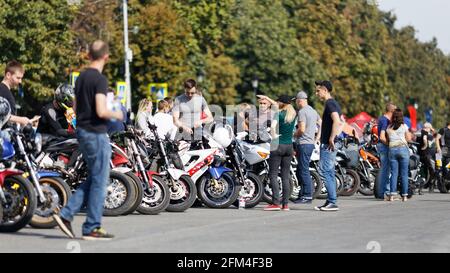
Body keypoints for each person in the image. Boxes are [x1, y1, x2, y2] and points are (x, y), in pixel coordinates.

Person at [53, 40, 123, 240]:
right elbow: (101, 110)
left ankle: (67, 215)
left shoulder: (81, 77)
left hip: (83, 131)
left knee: (95, 178)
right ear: (106, 57)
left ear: (88, 55)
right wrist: (117, 114)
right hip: (96, 133)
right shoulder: (99, 79)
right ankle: (91, 226)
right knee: (100, 181)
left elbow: (74, 108)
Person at [259, 94, 296, 211]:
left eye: (278, 101)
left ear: (282, 103)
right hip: (289, 146)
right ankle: (285, 204)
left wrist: (274, 135)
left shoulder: (278, 114)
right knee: (285, 176)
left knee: (273, 174)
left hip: (277, 145)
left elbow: (273, 126)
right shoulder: (293, 115)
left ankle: (275, 203)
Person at [314, 80, 343, 212]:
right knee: (329, 171)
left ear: (325, 90)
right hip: (329, 143)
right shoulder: (333, 103)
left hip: (328, 144)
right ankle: (330, 201)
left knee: (325, 171)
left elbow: (337, 121)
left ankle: (332, 202)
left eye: (318, 90)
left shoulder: (330, 103)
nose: (316, 93)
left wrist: (331, 137)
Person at [292, 91, 321, 204]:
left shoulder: (302, 112)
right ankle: (302, 194)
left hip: (303, 143)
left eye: (296, 101)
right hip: (309, 143)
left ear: (299, 100)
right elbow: (321, 123)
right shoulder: (313, 111)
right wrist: (316, 138)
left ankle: (307, 195)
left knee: (303, 170)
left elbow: (302, 129)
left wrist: (294, 135)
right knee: (301, 169)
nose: (296, 103)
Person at [0, 60, 38, 126]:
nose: (20, 81)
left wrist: (26, 122)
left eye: (21, 78)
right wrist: (20, 120)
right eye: (18, 78)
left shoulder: (6, 91)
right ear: (8, 75)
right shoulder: (2, 91)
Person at [386, 109, 411, 201]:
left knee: (394, 173)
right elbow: (408, 138)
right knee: (404, 174)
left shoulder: (389, 127)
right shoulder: (404, 126)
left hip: (392, 149)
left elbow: (388, 139)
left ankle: (392, 196)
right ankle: (404, 196)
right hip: (403, 149)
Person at [377, 102, 397, 199]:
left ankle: (381, 192)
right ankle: (386, 192)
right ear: (392, 111)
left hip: (381, 146)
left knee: (384, 170)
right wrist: (390, 144)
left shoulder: (382, 119)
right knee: (387, 170)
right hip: (384, 146)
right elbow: (381, 137)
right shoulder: (385, 121)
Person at [418, 122, 436, 192]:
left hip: (420, 155)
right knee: (432, 171)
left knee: (423, 171)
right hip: (427, 155)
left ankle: (423, 186)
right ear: (428, 128)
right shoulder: (428, 135)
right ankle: (430, 185)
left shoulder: (419, 134)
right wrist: (425, 145)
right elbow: (427, 141)